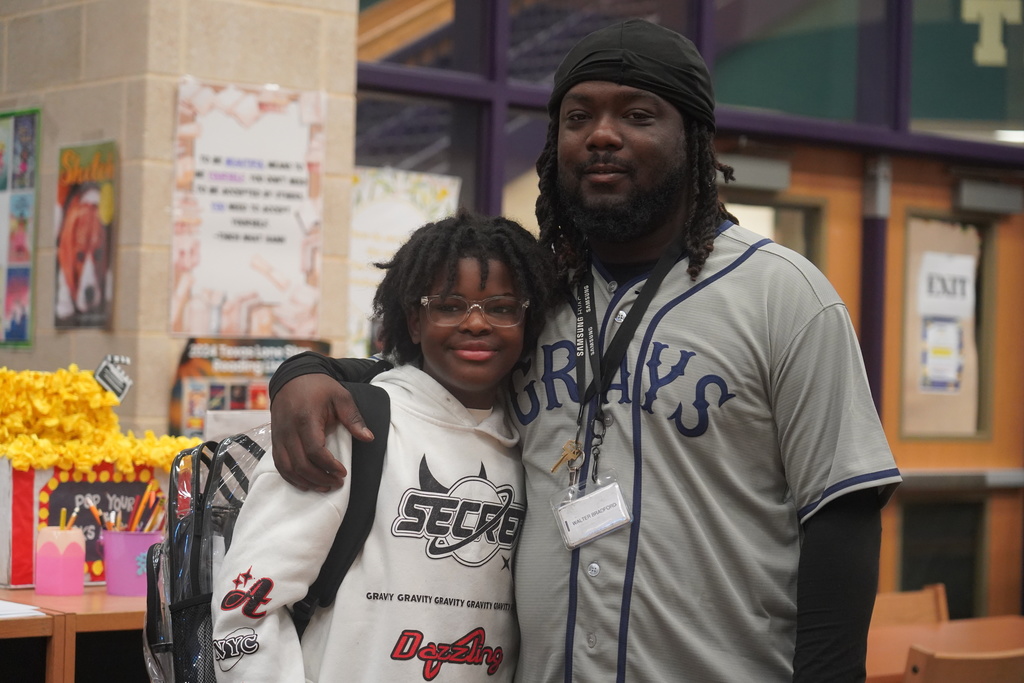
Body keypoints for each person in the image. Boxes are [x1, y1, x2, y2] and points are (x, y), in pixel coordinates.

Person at [267, 18, 902, 683]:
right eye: (578, 117)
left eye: (636, 114)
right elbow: (425, 374)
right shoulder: (536, 296)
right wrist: (305, 370)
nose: (601, 134)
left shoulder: (785, 295)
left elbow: (841, 515)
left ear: (693, 138)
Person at [211, 211, 557, 681]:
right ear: (414, 321)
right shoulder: (352, 424)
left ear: (526, 320)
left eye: (500, 307)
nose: (476, 324)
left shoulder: (533, 446)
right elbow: (245, 608)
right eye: (450, 306)